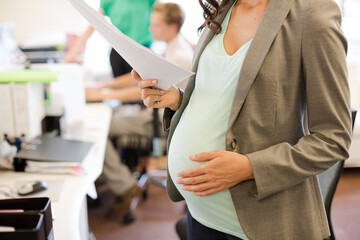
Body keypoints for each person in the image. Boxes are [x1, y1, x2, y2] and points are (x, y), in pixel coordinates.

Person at [133, 0, 352, 239]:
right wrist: (177, 99)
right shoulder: (223, 8)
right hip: (201, 215)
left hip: (261, 223)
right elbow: (224, 96)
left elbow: (334, 138)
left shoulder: (313, 12)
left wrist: (250, 168)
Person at [97, 3, 194, 218]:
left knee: (98, 130)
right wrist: (104, 87)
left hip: (161, 122)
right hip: (152, 116)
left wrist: (101, 94)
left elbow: (141, 90)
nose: (150, 30)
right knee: (108, 117)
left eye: (155, 25)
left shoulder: (178, 55)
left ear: (171, 26)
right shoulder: (170, 48)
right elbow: (140, 76)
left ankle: (123, 185)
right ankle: (120, 181)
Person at [64, 0, 156, 78]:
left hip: (142, 51)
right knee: (121, 93)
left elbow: (160, 15)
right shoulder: (110, 1)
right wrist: (75, 49)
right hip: (119, 52)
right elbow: (95, 21)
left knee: (143, 92)